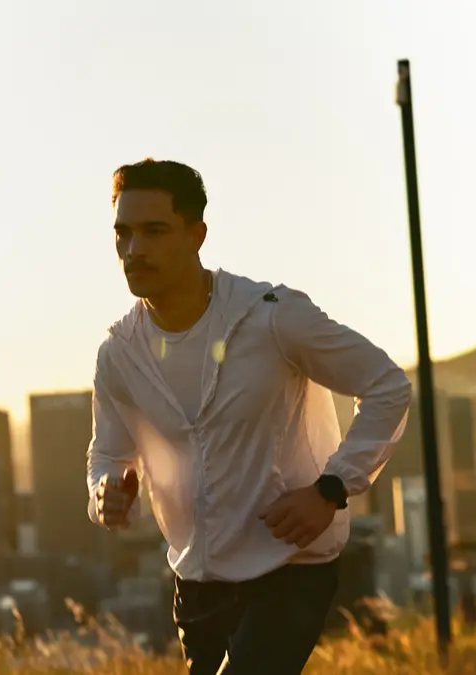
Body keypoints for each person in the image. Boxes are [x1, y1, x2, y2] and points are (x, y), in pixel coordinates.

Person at [87, 159, 412, 674]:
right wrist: (106, 489)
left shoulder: (271, 316)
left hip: (290, 565)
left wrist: (331, 489)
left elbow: (387, 386)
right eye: (122, 233)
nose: (134, 249)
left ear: (197, 235)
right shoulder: (119, 353)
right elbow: (107, 452)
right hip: (198, 580)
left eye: (154, 231)